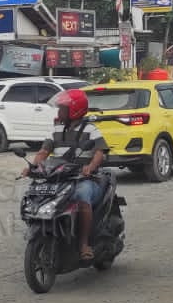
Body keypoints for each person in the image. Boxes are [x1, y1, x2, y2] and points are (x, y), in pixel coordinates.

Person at [23, 89, 109, 263]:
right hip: (60, 177)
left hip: (84, 179)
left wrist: (90, 167)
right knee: (36, 193)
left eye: (62, 108)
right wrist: (34, 166)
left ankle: (84, 243)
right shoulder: (56, 129)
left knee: (81, 195)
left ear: (74, 110)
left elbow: (100, 152)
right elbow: (44, 151)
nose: (59, 111)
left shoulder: (91, 129)